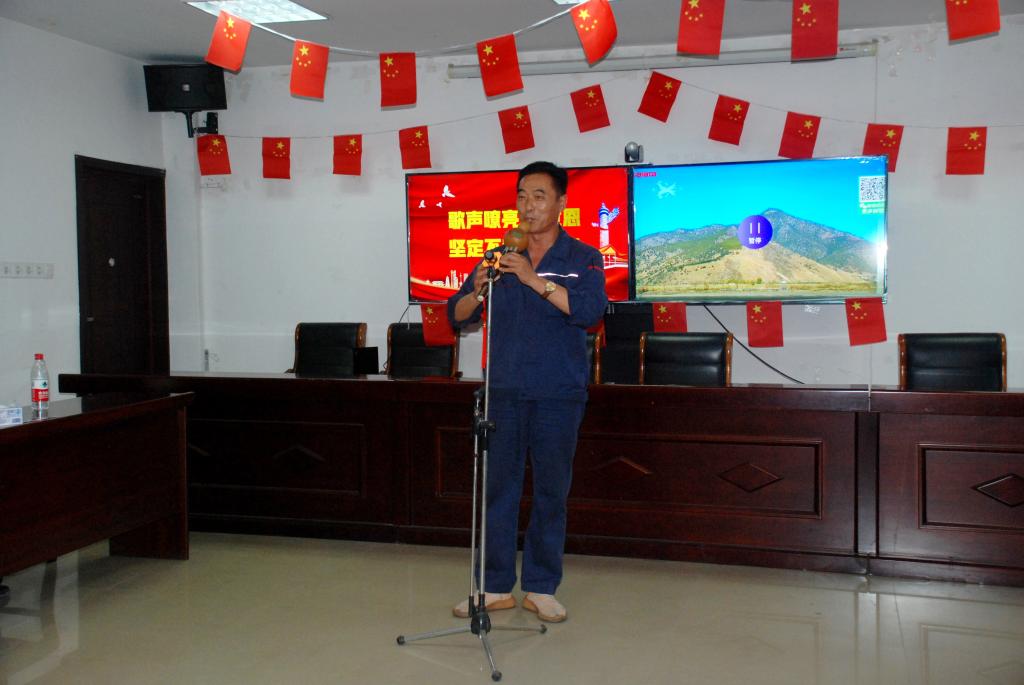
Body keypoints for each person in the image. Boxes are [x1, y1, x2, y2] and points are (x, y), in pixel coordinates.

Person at [447, 161, 607, 623]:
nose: (528, 206)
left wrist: (533, 280)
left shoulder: (583, 257)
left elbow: (589, 312)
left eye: (539, 196)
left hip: (558, 393)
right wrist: (479, 289)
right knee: (499, 490)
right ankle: (494, 586)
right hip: (504, 392)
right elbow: (456, 315)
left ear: (561, 203)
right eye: (521, 196)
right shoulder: (496, 257)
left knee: (551, 492)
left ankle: (541, 587)